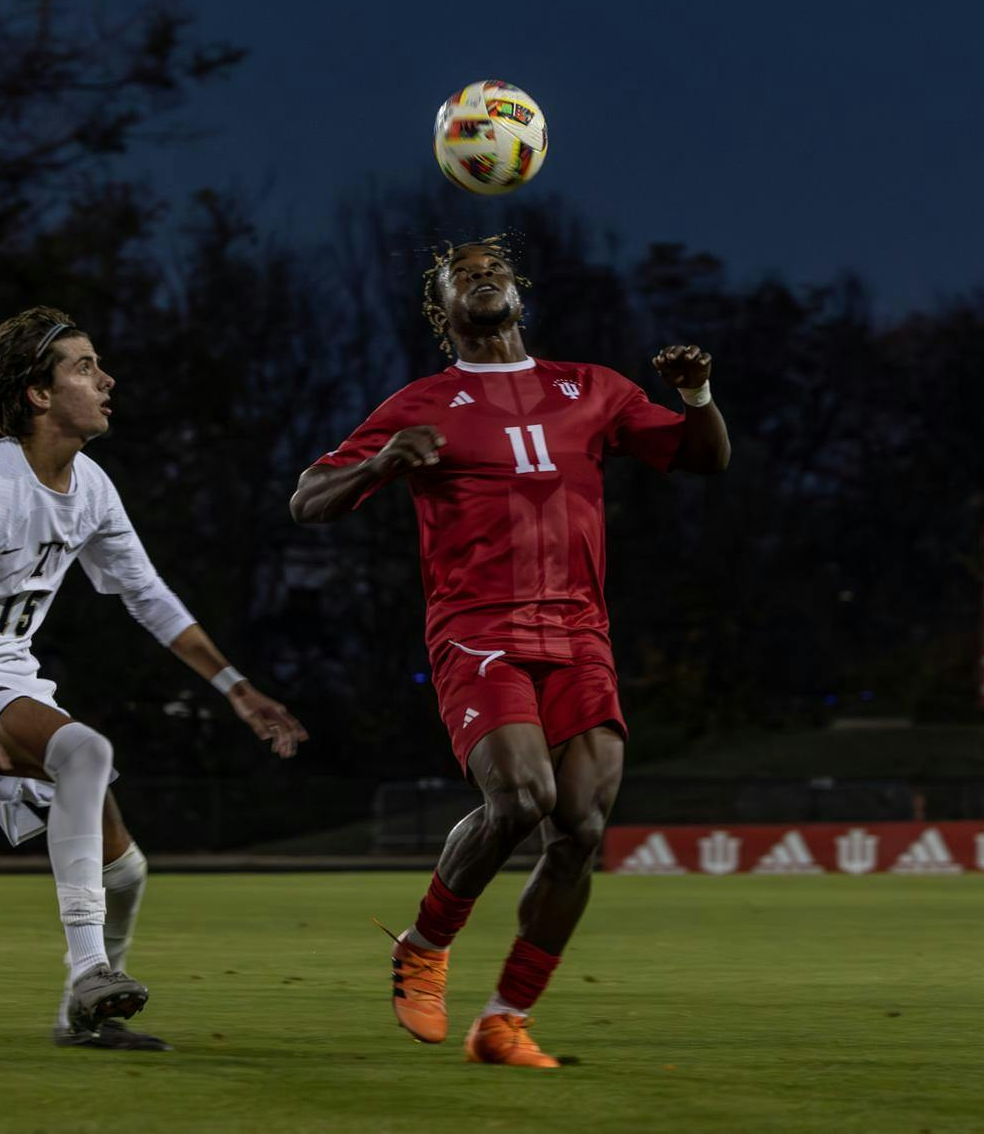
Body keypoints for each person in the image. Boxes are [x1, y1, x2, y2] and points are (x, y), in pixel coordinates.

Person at [290, 237, 730, 1067]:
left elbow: (705, 456)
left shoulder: (592, 389)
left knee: (581, 825)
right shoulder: (422, 401)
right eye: (464, 273)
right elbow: (307, 498)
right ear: (440, 310)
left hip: (579, 634)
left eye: (495, 268)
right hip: (478, 630)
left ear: (520, 294)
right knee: (523, 796)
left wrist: (696, 393)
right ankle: (424, 943)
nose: (483, 276)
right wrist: (384, 459)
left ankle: (505, 1019)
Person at [0, 305, 307, 1049]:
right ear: (39, 393)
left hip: (11, 680)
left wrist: (235, 686)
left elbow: (147, 595)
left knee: (128, 869)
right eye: (84, 366)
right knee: (86, 750)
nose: (106, 379)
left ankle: (80, 1019)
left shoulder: (92, 487)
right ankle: (88, 970)